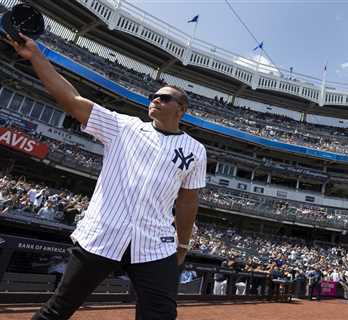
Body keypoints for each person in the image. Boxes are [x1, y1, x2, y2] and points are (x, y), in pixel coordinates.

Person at [7, 33, 207, 320]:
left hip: (155, 242)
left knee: (161, 315)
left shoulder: (195, 150)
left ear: (181, 109)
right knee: (58, 309)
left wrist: (183, 244)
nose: (156, 100)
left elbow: (188, 201)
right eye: (153, 96)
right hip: (103, 234)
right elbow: (72, 100)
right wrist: (37, 56)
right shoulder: (123, 126)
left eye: (165, 97)